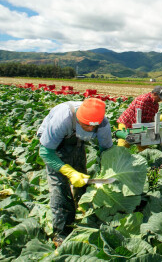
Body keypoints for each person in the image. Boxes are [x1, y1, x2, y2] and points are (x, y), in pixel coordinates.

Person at [37, 98, 113, 247]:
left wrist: (109, 167)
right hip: (54, 147)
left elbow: (107, 149)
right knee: (60, 189)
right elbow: (45, 152)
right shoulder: (63, 119)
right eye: (85, 126)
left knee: (82, 174)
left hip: (77, 143)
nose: (90, 130)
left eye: (93, 127)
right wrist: (69, 172)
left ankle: (83, 207)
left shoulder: (102, 123)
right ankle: (62, 233)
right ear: (78, 118)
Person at [117, 86, 162, 151]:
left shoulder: (155, 105)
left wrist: (156, 122)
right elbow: (138, 118)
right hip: (127, 124)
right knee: (123, 146)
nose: (161, 100)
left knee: (144, 146)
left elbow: (150, 120)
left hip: (140, 126)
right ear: (154, 94)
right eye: (160, 98)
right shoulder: (143, 100)